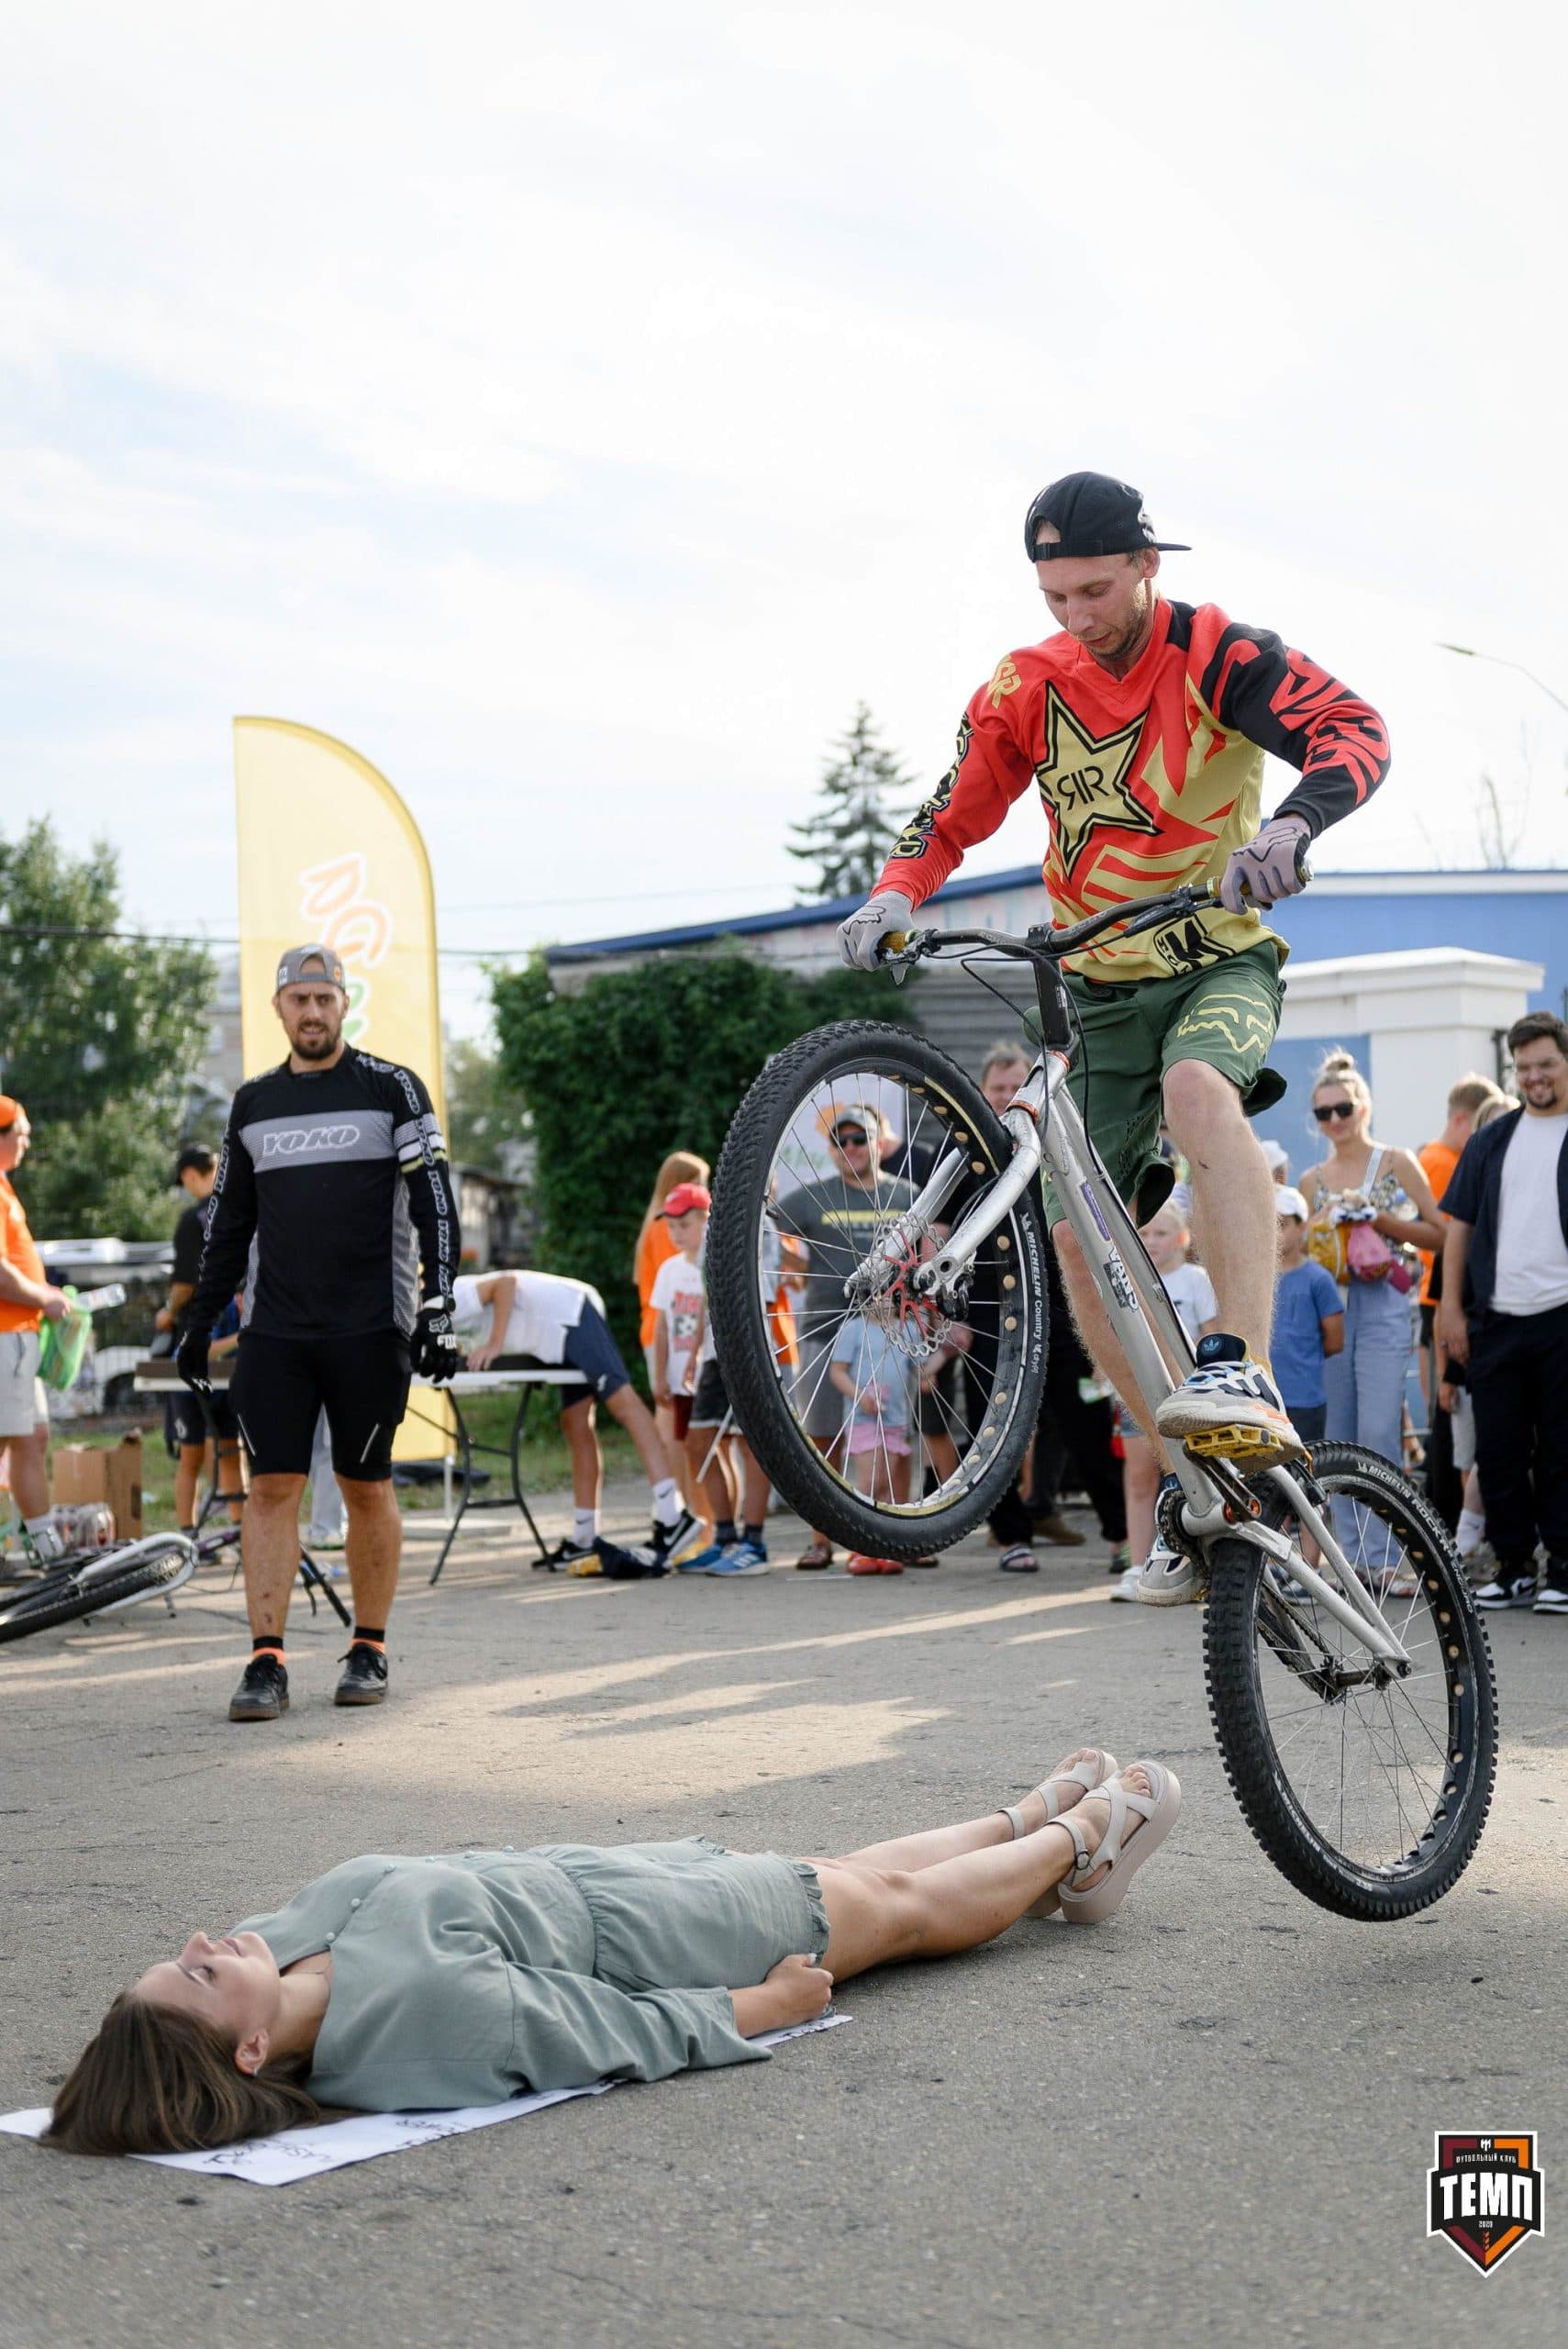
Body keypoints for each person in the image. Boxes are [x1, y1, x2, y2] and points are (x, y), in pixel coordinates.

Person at [838, 469, 1391, 1476]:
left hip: (1210, 952)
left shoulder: (1217, 653)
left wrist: (1290, 826)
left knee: (1195, 1090)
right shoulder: (1028, 684)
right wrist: (897, 890)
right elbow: (954, 806)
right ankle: (1198, 1483)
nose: (1076, 617)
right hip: (1092, 982)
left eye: (1094, 592)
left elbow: (1353, 731)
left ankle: (1241, 1365)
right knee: (1077, 1242)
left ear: (1145, 564)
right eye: (1055, 598)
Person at [45, 1745, 1181, 2156]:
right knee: (892, 1909)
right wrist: (761, 2008)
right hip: (655, 1943)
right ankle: (1082, 1843)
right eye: (196, 1973)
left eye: (182, 1950)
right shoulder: (408, 2025)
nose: (201, 1940)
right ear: (248, 2051)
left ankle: (1013, 1825)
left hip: (603, 1879)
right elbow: (598, 2033)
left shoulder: (282, 1947)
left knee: (848, 1871)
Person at [176, 945, 459, 1724]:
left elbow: (435, 1198)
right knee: (270, 1488)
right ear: (279, 1010)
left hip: (370, 1326)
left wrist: (439, 1304)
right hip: (277, 1331)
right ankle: (265, 1661)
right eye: (297, 999)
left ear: (343, 1004)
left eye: (323, 998)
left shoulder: (391, 1088)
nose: (311, 1012)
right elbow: (228, 1225)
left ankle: (367, 1647)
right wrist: (201, 1321)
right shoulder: (253, 1104)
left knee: (365, 1486)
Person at [1440, 1013, 1568, 1616]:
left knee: (1562, 1450)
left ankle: (1562, 1571)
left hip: (1561, 1316)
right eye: (1524, 1068)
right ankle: (1513, 1566)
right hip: (1494, 1319)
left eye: (1545, 1064)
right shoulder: (1491, 1139)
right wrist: (1448, 1311)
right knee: (1498, 1451)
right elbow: (1456, 1226)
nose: (1535, 1077)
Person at [455, 1264, 685, 1570]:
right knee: (575, 1424)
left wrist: (494, 1344)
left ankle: (673, 1516)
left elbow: (505, 1284)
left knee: (622, 1403)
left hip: (571, 1314)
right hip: (552, 1337)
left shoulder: (447, 1295)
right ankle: (584, 1538)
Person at [774, 1106, 917, 1571]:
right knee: (824, 1438)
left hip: (892, 1335)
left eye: (861, 1138)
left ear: (881, 1142)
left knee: (894, 1437)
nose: (851, 1148)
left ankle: (898, 1535)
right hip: (825, 1332)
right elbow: (765, 1230)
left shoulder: (910, 1196)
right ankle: (822, 1539)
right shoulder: (808, 1198)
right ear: (831, 1149)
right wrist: (792, 1271)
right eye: (841, 1141)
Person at [1298, 1051, 1443, 1477]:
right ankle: (1346, 1541)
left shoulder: (1396, 1161)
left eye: (1343, 1108)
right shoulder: (1312, 1180)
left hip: (1384, 1299)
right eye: (1323, 1113)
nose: (1335, 1120)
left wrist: (1380, 1222)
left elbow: (1441, 1233)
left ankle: (1385, 1544)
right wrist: (1322, 1230)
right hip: (1330, 1308)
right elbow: (1298, 1253)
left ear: (1364, 1107)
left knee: (1379, 1430)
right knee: (1337, 1436)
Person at [1108, 1206, 1219, 1603]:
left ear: (1182, 1238)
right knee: (1140, 1479)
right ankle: (1137, 1565)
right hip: (1137, 1391)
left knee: (1194, 1481)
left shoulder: (1196, 1280)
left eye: (1161, 1233)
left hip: (1187, 1395)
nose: (1153, 1241)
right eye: (1147, 1233)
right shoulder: (1128, 1279)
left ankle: (1201, 1564)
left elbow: (1211, 1337)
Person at [157, 1146, 246, 1535]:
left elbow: (184, 1283)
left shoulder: (193, 1219)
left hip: (197, 1339)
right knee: (231, 1446)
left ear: (193, 1174)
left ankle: (188, 1531)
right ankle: (241, 1529)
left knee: (191, 1453)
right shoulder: (244, 1206)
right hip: (237, 1343)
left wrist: (168, 1312)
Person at [0, 1096, 70, 1561]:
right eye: (20, 1131)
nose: (27, 1140)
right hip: (6, 1336)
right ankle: (43, 1548)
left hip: (18, 1336)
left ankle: (47, 1548)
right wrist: (45, 1296)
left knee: (33, 1437)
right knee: (12, 1439)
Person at [633, 1152, 710, 1518]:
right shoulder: (670, 1230)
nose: (703, 1190)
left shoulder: (654, 1224)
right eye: (698, 1182)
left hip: (667, 1331)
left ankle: (681, 1508)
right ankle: (679, 1507)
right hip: (670, 1332)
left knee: (678, 1434)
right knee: (674, 1436)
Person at [1264, 1186, 1345, 1449]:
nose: (1275, 1232)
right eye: (1270, 1223)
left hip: (1304, 1401)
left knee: (1305, 1478)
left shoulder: (1318, 1279)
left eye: (1283, 1224)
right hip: (1261, 1401)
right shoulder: (1257, 1278)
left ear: (1302, 1227)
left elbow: (1335, 1340)